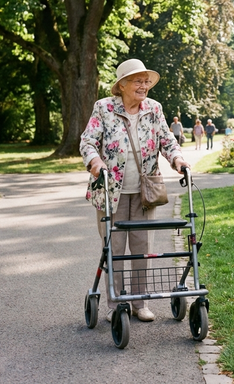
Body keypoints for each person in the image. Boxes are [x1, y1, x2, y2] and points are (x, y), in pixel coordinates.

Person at [80, 59, 189, 324]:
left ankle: (140, 304)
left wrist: (178, 159)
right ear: (122, 85)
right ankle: (115, 303)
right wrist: (95, 162)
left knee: (142, 249)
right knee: (114, 249)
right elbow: (88, 141)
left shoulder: (153, 109)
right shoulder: (104, 108)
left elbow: (167, 140)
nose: (144, 86)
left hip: (144, 191)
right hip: (110, 192)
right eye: (138, 81)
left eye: (146, 81)